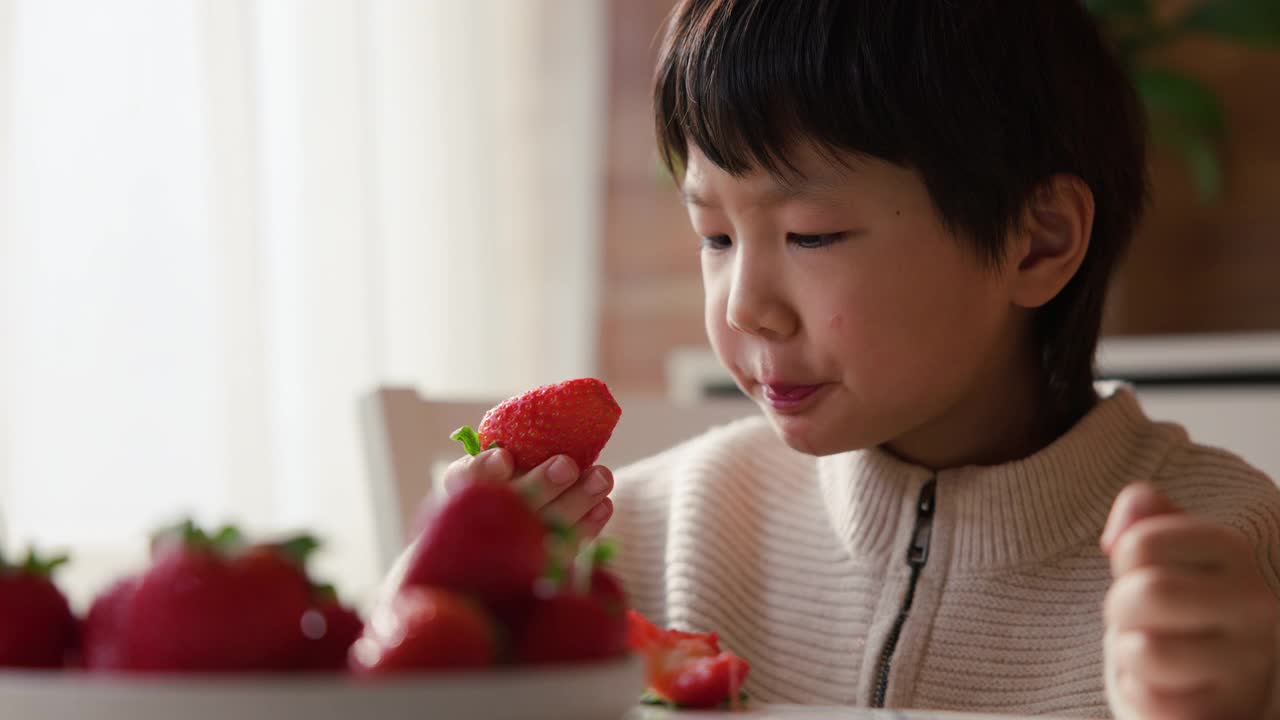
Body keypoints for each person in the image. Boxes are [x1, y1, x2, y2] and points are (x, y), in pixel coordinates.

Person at [432, 1, 1280, 716]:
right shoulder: (634, 543)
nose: (741, 306)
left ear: (1037, 242)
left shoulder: (1225, 558)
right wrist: (451, 623)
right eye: (714, 236)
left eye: (811, 234)